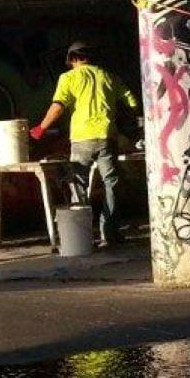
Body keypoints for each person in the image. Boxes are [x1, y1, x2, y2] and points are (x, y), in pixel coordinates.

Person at [31, 42, 139, 246]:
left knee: (78, 183)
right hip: (107, 137)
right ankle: (110, 233)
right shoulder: (108, 76)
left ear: (72, 59)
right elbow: (131, 101)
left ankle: (80, 237)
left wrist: (41, 128)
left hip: (81, 139)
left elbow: (58, 106)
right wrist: (133, 123)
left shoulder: (68, 78)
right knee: (111, 183)